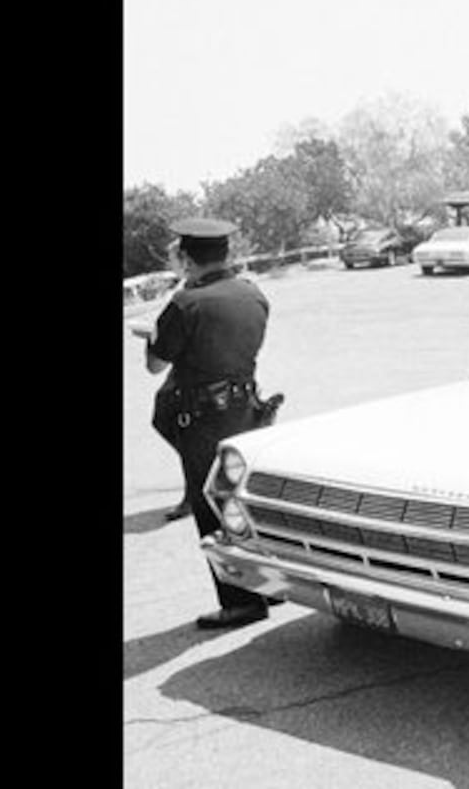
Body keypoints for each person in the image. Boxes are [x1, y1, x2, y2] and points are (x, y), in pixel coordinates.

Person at [134, 217, 278, 630]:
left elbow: (156, 364)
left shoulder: (184, 304)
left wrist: (150, 336)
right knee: (244, 501)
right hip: (247, 408)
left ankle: (240, 602)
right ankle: (268, 584)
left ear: (186, 258)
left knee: (212, 508)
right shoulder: (252, 293)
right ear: (226, 254)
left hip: (202, 417)